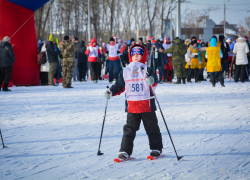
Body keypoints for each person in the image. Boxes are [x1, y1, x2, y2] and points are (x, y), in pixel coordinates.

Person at [105, 44, 163, 160]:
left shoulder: (147, 69)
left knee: (152, 128)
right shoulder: (126, 70)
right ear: (131, 56)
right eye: (134, 55)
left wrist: (152, 80)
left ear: (143, 56)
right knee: (129, 129)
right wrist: (111, 91)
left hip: (147, 105)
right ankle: (125, 151)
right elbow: (119, 85)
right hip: (132, 106)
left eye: (139, 55)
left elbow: (155, 80)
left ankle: (156, 149)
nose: (136, 57)